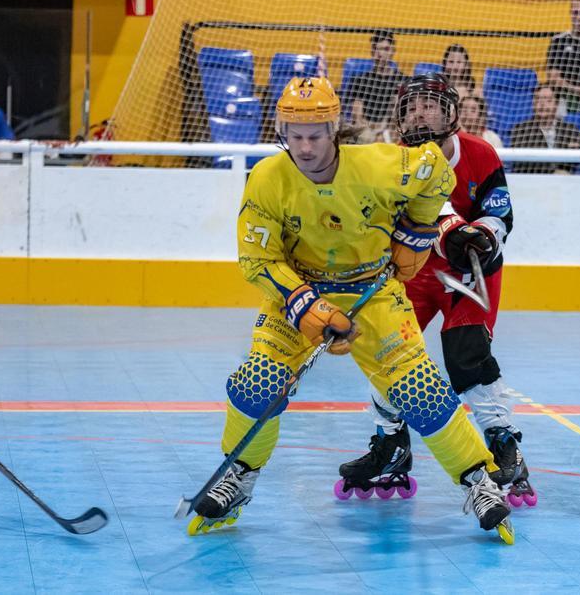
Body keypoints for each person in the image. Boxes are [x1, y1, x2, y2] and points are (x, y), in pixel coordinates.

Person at [190, 76, 514, 543]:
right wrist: (306, 306)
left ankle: (477, 481)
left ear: (334, 127)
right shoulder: (265, 178)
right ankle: (238, 472)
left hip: (375, 296)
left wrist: (417, 232)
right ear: (282, 131)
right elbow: (257, 259)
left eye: (316, 135)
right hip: (295, 297)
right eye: (295, 135)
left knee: (421, 393)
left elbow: (438, 175)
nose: (305, 147)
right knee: (256, 385)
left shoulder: (383, 164)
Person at [336, 73, 534, 507]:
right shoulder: (392, 161)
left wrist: (482, 233)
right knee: (386, 352)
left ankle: (504, 446)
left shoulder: (480, 153)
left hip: (471, 273)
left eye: (429, 105)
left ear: (450, 114)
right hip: (417, 272)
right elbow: (426, 211)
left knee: (467, 357)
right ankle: (390, 445)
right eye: (411, 107)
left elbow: (500, 211)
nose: (419, 113)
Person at [508, 84, 580, 174]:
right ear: (533, 103)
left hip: (563, 181)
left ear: (556, 104)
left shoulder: (570, 130)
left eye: (548, 100)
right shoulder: (520, 130)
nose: (542, 104)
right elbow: (523, 163)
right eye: (538, 99)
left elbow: (572, 162)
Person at [347, 31, 405, 133]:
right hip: (366, 131)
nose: (380, 53)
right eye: (376, 49)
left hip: (391, 132)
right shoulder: (360, 80)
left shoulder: (402, 81)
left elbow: (397, 115)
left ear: (393, 51)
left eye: (385, 49)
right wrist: (368, 132)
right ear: (372, 52)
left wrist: (384, 132)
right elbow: (357, 115)